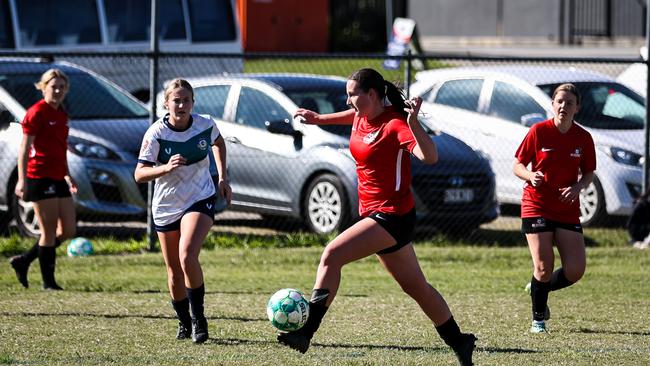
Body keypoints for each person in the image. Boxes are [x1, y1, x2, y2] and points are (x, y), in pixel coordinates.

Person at [277, 68, 476, 365]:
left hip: (392, 215)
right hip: (376, 214)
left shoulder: (396, 124)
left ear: (371, 94)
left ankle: (306, 331)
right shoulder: (361, 115)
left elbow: (430, 156)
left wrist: (413, 123)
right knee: (417, 288)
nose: (347, 101)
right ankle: (460, 341)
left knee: (332, 254)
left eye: (352, 95)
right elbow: (350, 118)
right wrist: (318, 119)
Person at [134, 78, 231, 344]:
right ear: (166, 104)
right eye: (176, 100)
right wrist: (165, 168)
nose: (181, 105)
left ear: (192, 104)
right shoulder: (156, 133)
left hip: (199, 197)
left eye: (186, 100)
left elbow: (219, 143)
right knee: (174, 270)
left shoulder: (204, 124)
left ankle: (200, 321)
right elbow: (139, 174)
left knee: (188, 256)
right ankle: (184, 322)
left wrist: (222, 177)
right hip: (167, 204)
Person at [513, 83, 596, 333]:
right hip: (536, 204)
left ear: (577, 108)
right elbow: (517, 165)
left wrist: (578, 186)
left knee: (575, 270)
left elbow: (589, 172)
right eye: (559, 101)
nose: (563, 106)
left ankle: (538, 287)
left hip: (566, 208)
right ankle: (538, 320)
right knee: (543, 266)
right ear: (552, 104)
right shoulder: (539, 131)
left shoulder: (583, 137)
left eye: (569, 102)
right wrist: (530, 175)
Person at [9, 68, 77, 290]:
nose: (57, 91)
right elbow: (24, 148)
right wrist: (22, 180)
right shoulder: (36, 113)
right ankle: (49, 283)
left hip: (58, 177)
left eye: (61, 87)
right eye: (53, 86)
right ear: (43, 87)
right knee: (48, 232)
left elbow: (60, 149)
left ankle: (24, 260)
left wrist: (68, 175)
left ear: (66, 90)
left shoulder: (61, 114)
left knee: (68, 230)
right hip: (39, 177)